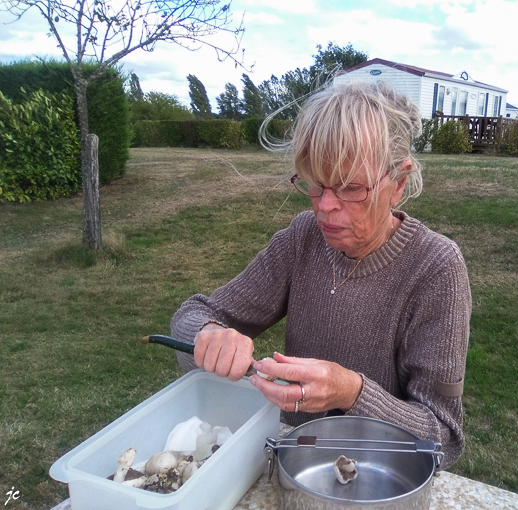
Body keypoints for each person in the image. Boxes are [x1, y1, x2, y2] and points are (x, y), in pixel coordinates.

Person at [170, 81, 471, 468]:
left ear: (397, 183)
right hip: (290, 462)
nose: (325, 207)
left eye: (350, 188)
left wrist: (351, 393)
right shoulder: (303, 238)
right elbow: (191, 314)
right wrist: (210, 334)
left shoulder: (436, 268)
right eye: (314, 183)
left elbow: (443, 438)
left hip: (374, 479)